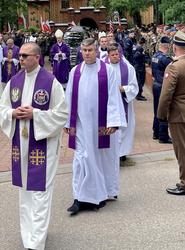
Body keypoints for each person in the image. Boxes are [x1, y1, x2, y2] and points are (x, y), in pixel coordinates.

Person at [0, 42, 68, 250]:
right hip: (20, 146)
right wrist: (12, 113)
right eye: (19, 56)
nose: (19, 59)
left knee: (40, 193)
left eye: (24, 56)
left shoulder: (51, 82)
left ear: (37, 57)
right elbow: (2, 108)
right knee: (25, 193)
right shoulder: (14, 81)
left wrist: (35, 115)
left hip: (43, 147)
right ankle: (28, 235)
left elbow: (62, 114)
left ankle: (36, 243)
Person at [64, 38, 126, 215]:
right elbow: (68, 97)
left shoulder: (107, 71)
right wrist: (68, 122)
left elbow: (114, 96)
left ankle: (101, 193)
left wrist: (113, 122)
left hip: (102, 125)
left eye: (90, 50)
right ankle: (80, 197)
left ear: (97, 50)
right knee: (81, 159)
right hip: (82, 125)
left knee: (101, 160)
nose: (87, 54)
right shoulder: (75, 71)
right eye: (84, 50)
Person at [157, 31, 185, 196]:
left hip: (179, 114)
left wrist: (161, 114)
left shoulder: (174, 67)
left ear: (175, 48)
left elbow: (166, 94)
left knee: (182, 150)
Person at [105, 43, 138, 161]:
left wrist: (123, 89)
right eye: (112, 54)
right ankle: (110, 153)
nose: (115, 56)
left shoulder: (128, 68)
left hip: (124, 102)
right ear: (108, 55)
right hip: (108, 104)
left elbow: (134, 87)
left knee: (124, 128)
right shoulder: (103, 68)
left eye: (117, 54)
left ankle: (122, 153)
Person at [151, 36, 173, 143]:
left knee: (156, 109)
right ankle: (163, 136)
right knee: (163, 110)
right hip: (162, 86)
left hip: (155, 85)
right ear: (167, 46)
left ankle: (156, 132)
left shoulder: (155, 56)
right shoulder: (165, 59)